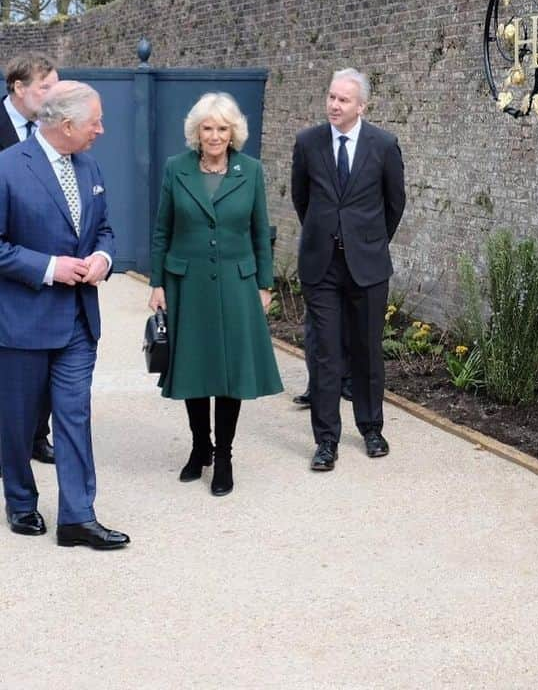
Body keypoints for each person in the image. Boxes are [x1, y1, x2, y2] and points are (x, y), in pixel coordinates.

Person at [0, 80, 127, 549]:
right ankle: (20, 501)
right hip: (22, 323)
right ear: (67, 124)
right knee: (17, 421)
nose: (101, 129)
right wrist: (50, 267)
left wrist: (103, 260)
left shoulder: (89, 165)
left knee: (74, 415)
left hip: (78, 322)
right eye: (95, 120)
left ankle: (77, 516)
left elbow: (106, 230)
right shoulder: (7, 168)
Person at [148, 93, 283, 496]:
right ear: (197, 131)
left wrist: (264, 284)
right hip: (185, 283)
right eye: (208, 128)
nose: (214, 135)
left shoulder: (251, 170)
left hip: (237, 283)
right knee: (195, 368)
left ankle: (223, 456)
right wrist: (156, 283)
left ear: (233, 132)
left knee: (229, 374)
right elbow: (162, 230)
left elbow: (261, 231)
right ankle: (199, 447)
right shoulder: (177, 169)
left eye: (222, 128)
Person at [291, 68, 405, 471]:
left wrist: (367, 241)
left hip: (368, 266)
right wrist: (327, 235)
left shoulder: (384, 145)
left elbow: (395, 204)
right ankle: (326, 442)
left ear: (362, 106)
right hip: (321, 266)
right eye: (331, 97)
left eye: (343, 100)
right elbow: (301, 199)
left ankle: (372, 427)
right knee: (325, 354)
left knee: (367, 350)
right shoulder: (308, 144)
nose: (334, 105)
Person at [0, 53, 60, 470]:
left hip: (44, 265)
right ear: (19, 88)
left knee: (45, 353)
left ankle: (38, 435)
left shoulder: (54, 132)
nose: (53, 96)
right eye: (46, 87)